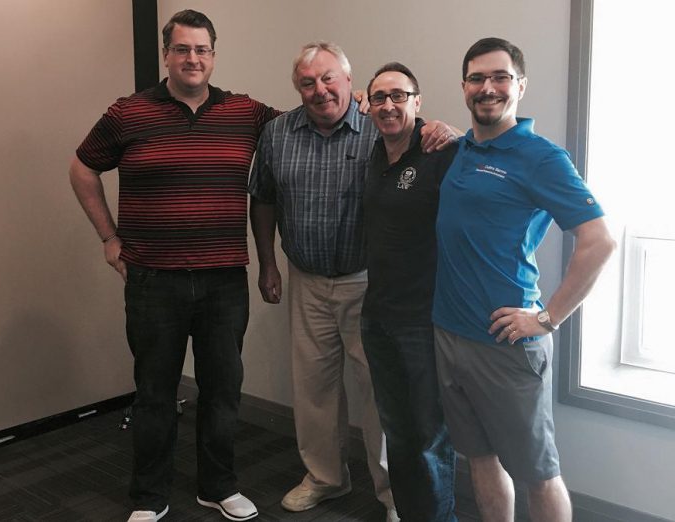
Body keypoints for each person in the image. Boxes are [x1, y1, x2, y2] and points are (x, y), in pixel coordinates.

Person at [69, 9, 280, 522]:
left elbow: (303, 128)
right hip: (153, 281)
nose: (193, 58)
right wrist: (108, 237)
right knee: (156, 392)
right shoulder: (129, 113)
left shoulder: (246, 113)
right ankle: (149, 495)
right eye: (182, 49)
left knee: (223, 390)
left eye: (202, 49)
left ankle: (218, 485)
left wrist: (361, 101)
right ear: (166, 54)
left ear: (213, 54)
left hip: (223, 281)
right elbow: (81, 168)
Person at [249, 42, 457, 522]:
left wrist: (453, 131)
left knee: (380, 392)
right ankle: (325, 478)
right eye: (308, 82)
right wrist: (267, 263)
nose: (320, 90)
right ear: (297, 88)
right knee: (314, 388)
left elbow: (431, 145)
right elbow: (263, 199)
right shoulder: (277, 133)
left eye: (329, 80)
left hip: (369, 282)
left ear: (350, 83)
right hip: (306, 279)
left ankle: (392, 494)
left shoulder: (378, 127)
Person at [432, 37, 616, 522]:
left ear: (520, 85)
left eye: (500, 77)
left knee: (538, 473)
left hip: (506, 342)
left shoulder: (540, 156)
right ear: (464, 86)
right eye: (477, 78)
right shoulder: (462, 148)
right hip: (449, 332)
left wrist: (548, 317)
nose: (487, 87)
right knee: (479, 458)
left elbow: (598, 241)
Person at [361, 62, 458, 521]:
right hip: (377, 315)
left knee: (428, 438)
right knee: (396, 434)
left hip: (423, 320)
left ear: (418, 102)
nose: (388, 105)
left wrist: (458, 135)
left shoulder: (441, 151)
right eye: (379, 97)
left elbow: (490, 158)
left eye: (399, 96)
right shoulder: (375, 155)